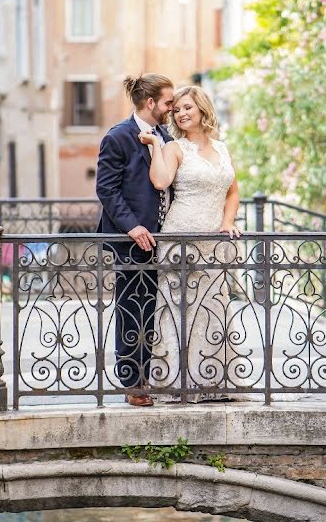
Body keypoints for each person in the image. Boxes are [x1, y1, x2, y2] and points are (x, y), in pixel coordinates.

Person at [139, 85, 245, 402]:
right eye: (178, 109)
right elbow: (160, 181)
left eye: (188, 107)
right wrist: (157, 145)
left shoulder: (223, 149)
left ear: (202, 109)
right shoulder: (175, 148)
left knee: (213, 310)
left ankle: (214, 381)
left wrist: (227, 224)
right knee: (178, 311)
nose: (182, 113)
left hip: (213, 240)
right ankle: (177, 383)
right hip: (179, 239)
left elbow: (233, 192)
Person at [96, 73, 174, 407]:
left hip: (166, 239)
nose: (172, 107)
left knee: (159, 307)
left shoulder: (166, 135)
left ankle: (160, 373)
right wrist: (132, 228)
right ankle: (133, 381)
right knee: (133, 308)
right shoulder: (118, 137)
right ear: (150, 102)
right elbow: (106, 189)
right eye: (168, 101)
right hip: (132, 242)